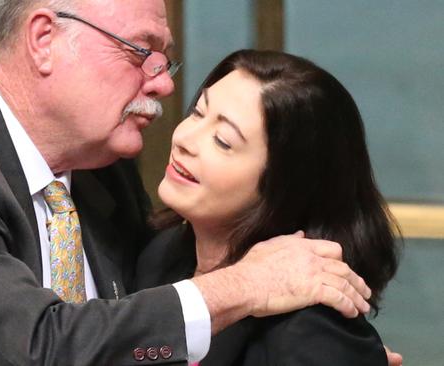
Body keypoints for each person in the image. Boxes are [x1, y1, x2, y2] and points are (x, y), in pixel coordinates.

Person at [0, 1, 375, 365]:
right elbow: (47, 348)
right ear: (45, 39)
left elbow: (128, 326)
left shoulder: (99, 167)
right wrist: (245, 285)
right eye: (141, 52)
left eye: (164, 60)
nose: (163, 86)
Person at [136, 49, 401, 365]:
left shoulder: (310, 331)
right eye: (197, 112)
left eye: (223, 140)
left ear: (284, 185)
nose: (185, 139)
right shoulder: (161, 256)